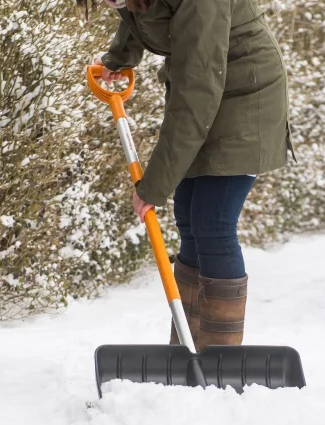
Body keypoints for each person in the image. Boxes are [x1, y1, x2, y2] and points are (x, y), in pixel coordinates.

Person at [81, 0, 296, 351]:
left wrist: (154, 185)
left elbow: (194, 92)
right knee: (189, 219)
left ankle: (219, 357)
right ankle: (187, 348)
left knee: (213, 223)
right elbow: (142, 14)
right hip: (210, 89)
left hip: (245, 95)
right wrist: (117, 59)